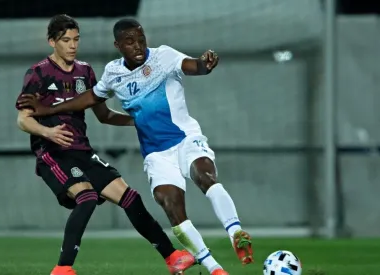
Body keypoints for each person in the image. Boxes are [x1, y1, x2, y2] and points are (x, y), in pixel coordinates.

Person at [18, 18, 256, 275]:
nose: (73, 45)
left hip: (132, 145)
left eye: (76, 39)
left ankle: (202, 245)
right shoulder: (54, 72)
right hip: (82, 153)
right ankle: (63, 269)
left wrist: (202, 65)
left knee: (160, 189)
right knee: (118, 200)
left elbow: (192, 67)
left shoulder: (107, 67)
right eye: (66, 40)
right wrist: (48, 126)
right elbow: (35, 116)